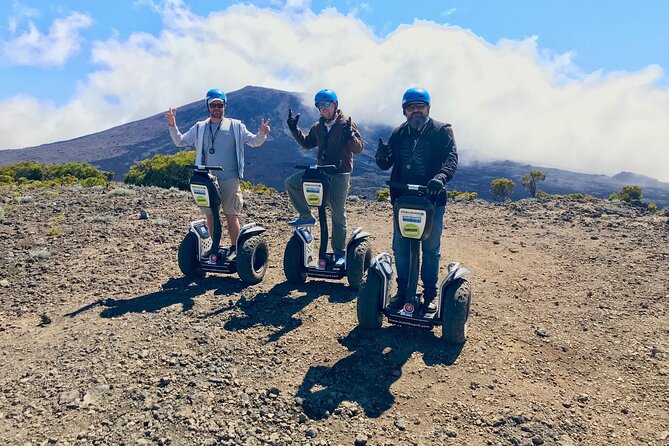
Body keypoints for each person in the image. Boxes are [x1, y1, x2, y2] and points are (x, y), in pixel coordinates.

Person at [375, 87, 458, 312]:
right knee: (400, 247)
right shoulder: (399, 133)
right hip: (403, 200)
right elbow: (386, 163)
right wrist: (382, 156)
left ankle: (430, 294)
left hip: (432, 201)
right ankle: (403, 293)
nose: (415, 111)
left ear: (428, 108)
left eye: (420, 106)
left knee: (430, 249)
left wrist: (440, 178)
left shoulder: (442, 131)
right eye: (410, 107)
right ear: (405, 112)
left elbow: (451, 159)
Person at [165, 88, 270, 252]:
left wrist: (262, 134)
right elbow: (180, 141)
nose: (217, 108)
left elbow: (253, 141)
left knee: (231, 214)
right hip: (207, 179)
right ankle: (216, 248)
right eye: (213, 105)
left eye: (220, 105)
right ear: (208, 106)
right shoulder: (199, 127)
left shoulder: (236, 126)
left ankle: (235, 250)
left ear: (225, 106)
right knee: (211, 215)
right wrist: (172, 124)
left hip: (230, 178)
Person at [285, 89, 364, 267]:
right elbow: (307, 143)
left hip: (340, 173)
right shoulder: (318, 126)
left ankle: (339, 252)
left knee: (337, 213)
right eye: (320, 105)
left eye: (326, 104)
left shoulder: (346, 124)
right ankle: (306, 215)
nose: (323, 108)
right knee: (291, 183)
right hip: (322, 172)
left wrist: (350, 136)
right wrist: (294, 129)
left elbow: (359, 148)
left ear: (335, 105)